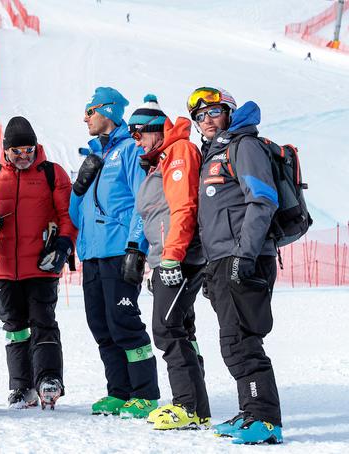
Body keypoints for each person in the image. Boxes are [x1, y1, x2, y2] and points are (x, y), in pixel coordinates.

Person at [187, 87, 283, 444]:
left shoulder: (244, 146)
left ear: (228, 111)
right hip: (221, 258)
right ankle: (251, 412)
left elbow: (263, 200)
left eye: (213, 112)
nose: (206, 121)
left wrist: (244, 255)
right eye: (200, 117)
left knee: (242, 339)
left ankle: (266, 420)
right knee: (233, 340)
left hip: (245, 255)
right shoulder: (214, 153)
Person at [69, 87, 159, 419]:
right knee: (100, 324)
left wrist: (136, 247)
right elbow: (76, 216)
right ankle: (119, 392)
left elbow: (143, 202)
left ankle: (145, 393)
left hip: (119, 250)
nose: (85, 118)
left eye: (89, 111)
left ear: (107, 110)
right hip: (92, 253)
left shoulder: (130, 151)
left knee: (123, 321)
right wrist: (78, 188)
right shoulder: (93, 155)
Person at [130, 95, 210, 430]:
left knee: (166, 329)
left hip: (178, 258)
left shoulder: (178, 153)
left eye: (139, 134)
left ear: (155, 130)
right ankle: (198, 408)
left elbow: (183, 209)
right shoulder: (162, 159)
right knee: (181, 328)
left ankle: (186, 406)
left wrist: (172, 258)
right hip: (167, 257)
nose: (137, 141)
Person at [0, 116, 77, 410]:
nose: (24, 156)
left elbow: (68, 216)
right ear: (6, 151)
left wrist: (64, 244)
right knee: (14, 327)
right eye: (17, 151)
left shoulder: (52, 173)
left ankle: (49, 379)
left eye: (29, 149)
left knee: (43, 322)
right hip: (4, 269)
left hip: (41, 266)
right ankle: (21, 387)